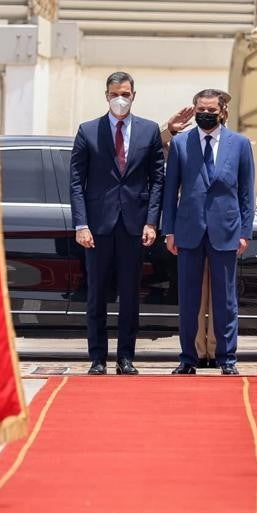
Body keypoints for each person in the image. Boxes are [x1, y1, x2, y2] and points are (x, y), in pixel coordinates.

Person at [69, 71, 165, 376]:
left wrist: (152, 222)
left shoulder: (148, 131)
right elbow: (75, 181)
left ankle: (126, 357)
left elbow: (158, 180)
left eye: (125, 93)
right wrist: (81, 224)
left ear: (133, 95)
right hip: (98, 227)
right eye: (114, 94)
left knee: (129, 294)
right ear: (106, 95)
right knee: (96, 294)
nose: (119, 99)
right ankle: (97, 358)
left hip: (134, 227)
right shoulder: (88, 131)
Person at [163, 89, 255, 376]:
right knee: (189, 299)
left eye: (211, 111)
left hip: (226, 231)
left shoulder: (239, 144)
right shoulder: (181, 143)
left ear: (222, 112)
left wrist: (244, 231)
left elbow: (246, 192)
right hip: (188, 231)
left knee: (225, 300)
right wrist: (169, 230)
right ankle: (188, 358)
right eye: (201, 109)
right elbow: (170, 190)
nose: (206, 114)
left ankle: (227, 359)